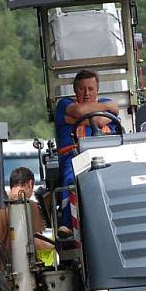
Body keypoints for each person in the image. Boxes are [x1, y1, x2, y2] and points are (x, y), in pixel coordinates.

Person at [54, 69, 120, 237]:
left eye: (91, 89)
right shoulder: (64, 105)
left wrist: (81, 117)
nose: (86, 93)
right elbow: (92, 116)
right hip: (75, 155)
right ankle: (68, 223)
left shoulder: (105, 101)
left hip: (107, 155)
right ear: (75, 90)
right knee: (71, 178)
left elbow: (95, 119)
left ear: (97, 90)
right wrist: (106, 110)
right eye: (82, 89)